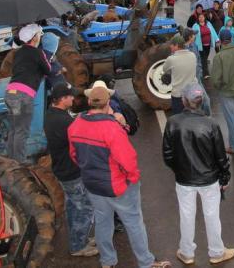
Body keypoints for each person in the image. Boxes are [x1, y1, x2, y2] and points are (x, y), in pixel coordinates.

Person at [68, 84, 171, 268]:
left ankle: (107, 261)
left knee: (102, 222)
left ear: (89, 102)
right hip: (117, 186)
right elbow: (128, 160)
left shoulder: (75, 125)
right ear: (108, 104)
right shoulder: (112, 128)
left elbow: (74, 155)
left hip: (92, 184)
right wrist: (133, 178)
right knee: (134, 223)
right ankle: (146, 262)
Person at [163, 83, 234, 265]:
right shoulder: (211, 124)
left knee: (186, 215)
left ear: (184, 101)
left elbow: (168, 155)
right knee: (212, 216)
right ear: (201, 101)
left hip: (184, 180)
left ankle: (187, 253)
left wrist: (179, 170)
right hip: (209, 180)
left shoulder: (173, 122)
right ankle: (217, 252)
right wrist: (224, 177)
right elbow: (220, 156)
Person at [43, 83, 97, 258]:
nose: (73, 98)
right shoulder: (64, 121)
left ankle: (78, 238)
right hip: (71, 172)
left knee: (73, 206)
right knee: (84, 208)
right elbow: (80, 141)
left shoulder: (50, 115)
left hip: (61, 169)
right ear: (62, 99)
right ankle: (78, 246)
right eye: (70, 96)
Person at [5, 24, 50, 162]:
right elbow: (47, 69)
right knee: (22, 131)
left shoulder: (18, 53)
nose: (39, 38)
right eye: (38, 35)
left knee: (14, 129)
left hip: (10, 93)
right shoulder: (37, 52)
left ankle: (11, 161)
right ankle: (20, 164)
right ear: (34, 37)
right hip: (23, 96)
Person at [163, 34, 199, 114]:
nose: (170, 47)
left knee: (179, 119)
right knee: (192, 117)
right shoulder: (193, 55)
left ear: (176, 46)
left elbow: (164, 69)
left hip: (178, 95)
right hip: (192, 93)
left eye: (171, 45)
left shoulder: (171, 59)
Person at [183, 28, 212, 116]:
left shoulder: (194, 45)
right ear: (189, 37)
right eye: (194, 35)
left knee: (201, 101)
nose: (195, 36)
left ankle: (204, 118)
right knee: (205, 101)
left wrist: (200, 71)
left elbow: (198, 60)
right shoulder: (183, 49)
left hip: (197, 78)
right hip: (191, 80)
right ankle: (208, 119)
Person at [192, 13, 220, 79]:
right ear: (198, 18)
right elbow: (192, 34)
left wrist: (217, 40)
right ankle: (205, 73)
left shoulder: (208, 24)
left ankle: (200, 66)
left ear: (204, 18)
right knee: (204, 59)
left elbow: (213, 32)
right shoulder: (195, 25)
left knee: (205, 57)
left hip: (208, 45)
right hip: (200, 46)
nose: (201, 18)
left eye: (202, 17)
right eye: (200, 17)